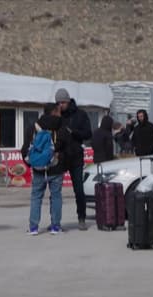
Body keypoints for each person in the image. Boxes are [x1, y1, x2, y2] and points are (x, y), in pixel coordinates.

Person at [21, 103, 67, 235]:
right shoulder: (61, 126)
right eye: (58, 112)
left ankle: (34, 227)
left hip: (38, 168)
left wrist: (32, 163)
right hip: (56, 167)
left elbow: (25, 148)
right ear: (54, 112)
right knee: (56, 196)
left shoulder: (34, 126)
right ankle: (55, 227)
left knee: (36, 197)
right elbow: (66, 146)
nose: (60, 114)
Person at [56, 88, 92, 231]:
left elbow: (88, 133)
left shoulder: (80, 114)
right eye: (58, 103)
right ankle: (55, 221)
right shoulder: (57, 115)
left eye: (62, 102)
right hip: (61, 156)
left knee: (78, 189)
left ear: (68, 101)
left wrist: (74, 132)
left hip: (76, 156)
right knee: (55, 190)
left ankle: (81, 218)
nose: (60, 105)